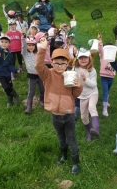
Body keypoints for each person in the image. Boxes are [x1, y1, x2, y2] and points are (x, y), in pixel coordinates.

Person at [35, 38, 83, 174]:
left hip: (69, 115)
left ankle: (75, 162)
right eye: (57, 63)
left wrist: (79, 84)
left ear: (68, 63)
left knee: (71, 138)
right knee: (61, 137)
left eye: (63, 63)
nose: (60, 66)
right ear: (51, 62)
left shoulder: (70, 75)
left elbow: (75, 94)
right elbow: (38, 66)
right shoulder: (47, 74)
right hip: (55, 116)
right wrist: (42, 49)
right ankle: (63, 154)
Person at [75, 49, 99, 142]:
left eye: (85, 57)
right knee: (83, 117)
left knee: (92, 107)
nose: (83, 59)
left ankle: (96, 129)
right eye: (81, 57)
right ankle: (89, 132)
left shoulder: (92, 70)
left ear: (89, 58)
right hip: (82, 95)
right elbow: (74, 81)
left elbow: (94, 85)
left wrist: (85, 79)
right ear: (77, 59)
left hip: (92, 93)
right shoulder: (75, 69)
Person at [0, 35, 20, 108]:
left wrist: (16, 70)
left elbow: (9, 65)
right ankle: (15, 95)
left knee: (9, 86)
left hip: (7, 73)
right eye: (2, 42)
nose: (4, 44)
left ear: (9, 44)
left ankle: (9, 100)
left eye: (6, 42)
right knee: (5, 87)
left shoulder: (10, 54)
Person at [22, 36, 44, 113]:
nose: (31, 47)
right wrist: (23, 37)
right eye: (29, 45)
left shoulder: (38, 53)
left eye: (32, 45)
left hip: (40, 75)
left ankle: (41, 100)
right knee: (31, 91)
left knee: (42, 89)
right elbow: (23, 46)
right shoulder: (25, 53)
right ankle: (29, 106)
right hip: (32, 76)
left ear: (35, 46)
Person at [97, 33, 116, 116]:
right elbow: (100, 48)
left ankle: (106, 102)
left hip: (111, 77)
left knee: (107, 91)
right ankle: (104, 109)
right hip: (104, 77)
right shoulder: (102, 55)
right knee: (105, 92)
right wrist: (100, 41)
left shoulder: (113, 58)